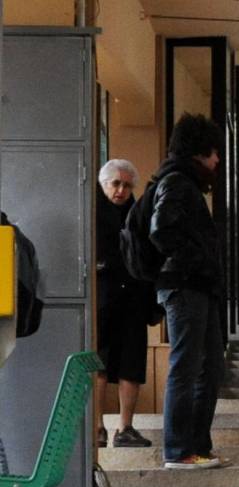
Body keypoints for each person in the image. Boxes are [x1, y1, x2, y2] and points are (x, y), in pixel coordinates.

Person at [149, 113, 228, 470]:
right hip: (185, 288)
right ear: (200, 151)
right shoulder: (178, 183)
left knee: (208, 366)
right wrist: (195, 262)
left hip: (195, 287)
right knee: (188, 368)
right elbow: (162, 231)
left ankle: (197, 446)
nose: (218, 161)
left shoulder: (185, 183)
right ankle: (179, 450)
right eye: (214, 153)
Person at [96, 159, 155, 448]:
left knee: (131, 363)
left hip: (133, 296)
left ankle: (125, 427)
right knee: (100, 362)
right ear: (103, 185)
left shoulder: (139, 214)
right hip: (104, 295)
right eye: (115, 184)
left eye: (126, 185)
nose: (120, 190)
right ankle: (97, 427)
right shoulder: (94, 212)